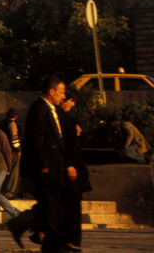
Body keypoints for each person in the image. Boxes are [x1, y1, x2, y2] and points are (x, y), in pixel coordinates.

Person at [6, 76, 71, 251]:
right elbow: (37, 139)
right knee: (51, 204)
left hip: (53, 165)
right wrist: (44, 164)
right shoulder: (39, 108)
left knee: (49, 204)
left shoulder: (50, 109)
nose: (63, 96)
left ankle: (22, 226)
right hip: (45, 167)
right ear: (51, 92)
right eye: (61, 92)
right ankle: (49, 242)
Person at [59, 88, 90, 252]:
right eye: (71, 101)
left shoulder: (65, 119)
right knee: (71, 207)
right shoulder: (62, 119)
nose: (72, 104)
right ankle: (70, 240)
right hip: (70, 168)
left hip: (72, 166)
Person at [0, 107, 22, 197]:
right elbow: (14, 138)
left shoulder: (1, 123)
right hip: (12, 151)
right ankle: (9, 192)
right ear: (16, 116)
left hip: (3, 150)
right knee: (13, 171)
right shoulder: (12, 124)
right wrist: (18, 150)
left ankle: (3, 190)